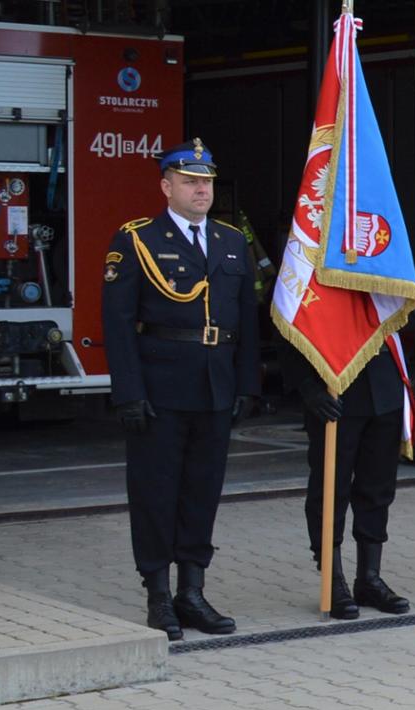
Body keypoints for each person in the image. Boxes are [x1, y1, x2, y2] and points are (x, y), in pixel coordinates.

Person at [102, 139, 257, 641]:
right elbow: (119, 323)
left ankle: (192, 591)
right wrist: (128, 392)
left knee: (201, 493)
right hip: (161, 386)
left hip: (215, 386)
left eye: (207, 181)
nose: (201, 190)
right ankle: (158, 595)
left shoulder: (232, 241)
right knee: (155, 493)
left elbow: (248, 323)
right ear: (166, 186)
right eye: (190, 181)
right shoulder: (137, 240)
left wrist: (248, 384)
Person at [282, 306, 415, 620]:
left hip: (384, 383)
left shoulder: (386, 255)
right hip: (335, 386)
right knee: (331, 488)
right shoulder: (315, 255)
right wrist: (307, 386)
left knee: (378, 488)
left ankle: (369, 577)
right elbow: (288, 317)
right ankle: (333, 578)